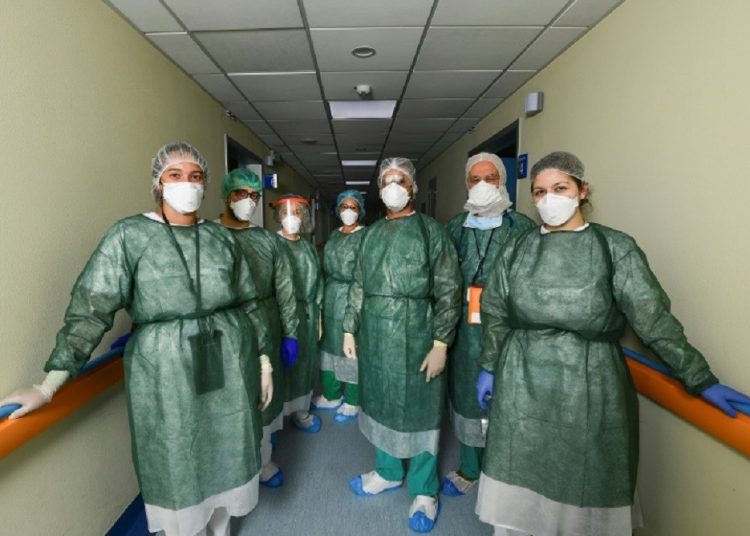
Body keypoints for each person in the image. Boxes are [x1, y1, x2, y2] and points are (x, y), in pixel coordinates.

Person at [0, 142, 274, 536]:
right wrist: (49, 385)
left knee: (229, 443)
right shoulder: (129, 236)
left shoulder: (221, 238)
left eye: (195, 176)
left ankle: (221, 527)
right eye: (175, 175)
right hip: (165, 366)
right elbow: (92, 306)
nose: (187, 184)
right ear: (158, 184)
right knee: (177, 452)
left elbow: (249, 301)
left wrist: (263, 361)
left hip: (230, 354)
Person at [475, 151, 750, 536]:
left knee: (584, 480)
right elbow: (496, 312)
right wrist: (489, 365)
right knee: (519, 474)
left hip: (590, 382)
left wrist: (700, 378)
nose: (548, 199)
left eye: (560, 188)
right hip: (521, 377)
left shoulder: (612, 248)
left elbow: (653, 319)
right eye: (539, 191)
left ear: (582, 190)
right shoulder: (516, 249)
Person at [343, 158, 461, 533]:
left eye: (401, 180)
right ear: (380, 189)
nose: (394, 187)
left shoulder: (431, 232)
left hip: (418, 333)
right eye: (387, 181)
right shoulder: (371, 234)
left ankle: (424, 490)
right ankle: (388, 471)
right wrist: (350, 329)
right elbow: (359, 285)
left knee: (422, 409)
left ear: (412, 187)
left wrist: (441, 342)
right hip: (375, 334)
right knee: (379, 401)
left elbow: (449, 288)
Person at [442, 153, 535, 497]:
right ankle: (470, 468)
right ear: (466, 183)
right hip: (465, 331)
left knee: (509, 402)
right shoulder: (454, 228)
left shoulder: (523, 229)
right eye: (474, 179)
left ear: (503, 181)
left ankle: (505, 473)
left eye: (490, 178)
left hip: (511, 331)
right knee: (469, 398)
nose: (482, 185)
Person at [218, 168, 299, 488]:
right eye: (240, 194)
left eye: (254, 196)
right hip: (221, 330)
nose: (248, 201)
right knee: (228, 401)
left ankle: (264, 460)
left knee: (264, 400)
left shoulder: (268, 241)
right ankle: (231, 467)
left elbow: (286, 290)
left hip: (265, 324)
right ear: (226, 195)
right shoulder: (207, 235)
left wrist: (291, 334)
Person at [312, 189, 367, 423]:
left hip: (354, 295)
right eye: (343, 207)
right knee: (328, 350)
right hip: (331, 296)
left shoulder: (366, 236)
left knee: (350, 351)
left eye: (353, 207)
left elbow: (363, 276)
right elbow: (325, 267)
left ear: (361, 211)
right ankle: (331, 394)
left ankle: (353, 400)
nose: (348, 211)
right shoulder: (333, 236)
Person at [273, 194, 324, 433]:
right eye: (286, 213)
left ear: (305, 217)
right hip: (281, 313)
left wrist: (319, 315)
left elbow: (318, 280)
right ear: (278, 216)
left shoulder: (307, 246)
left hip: (308, 312)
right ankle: (276, 419)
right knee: (282, 365)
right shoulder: (272, 244)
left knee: (304, 365)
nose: (292, 218)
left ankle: (300, 411)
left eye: (297, 213)